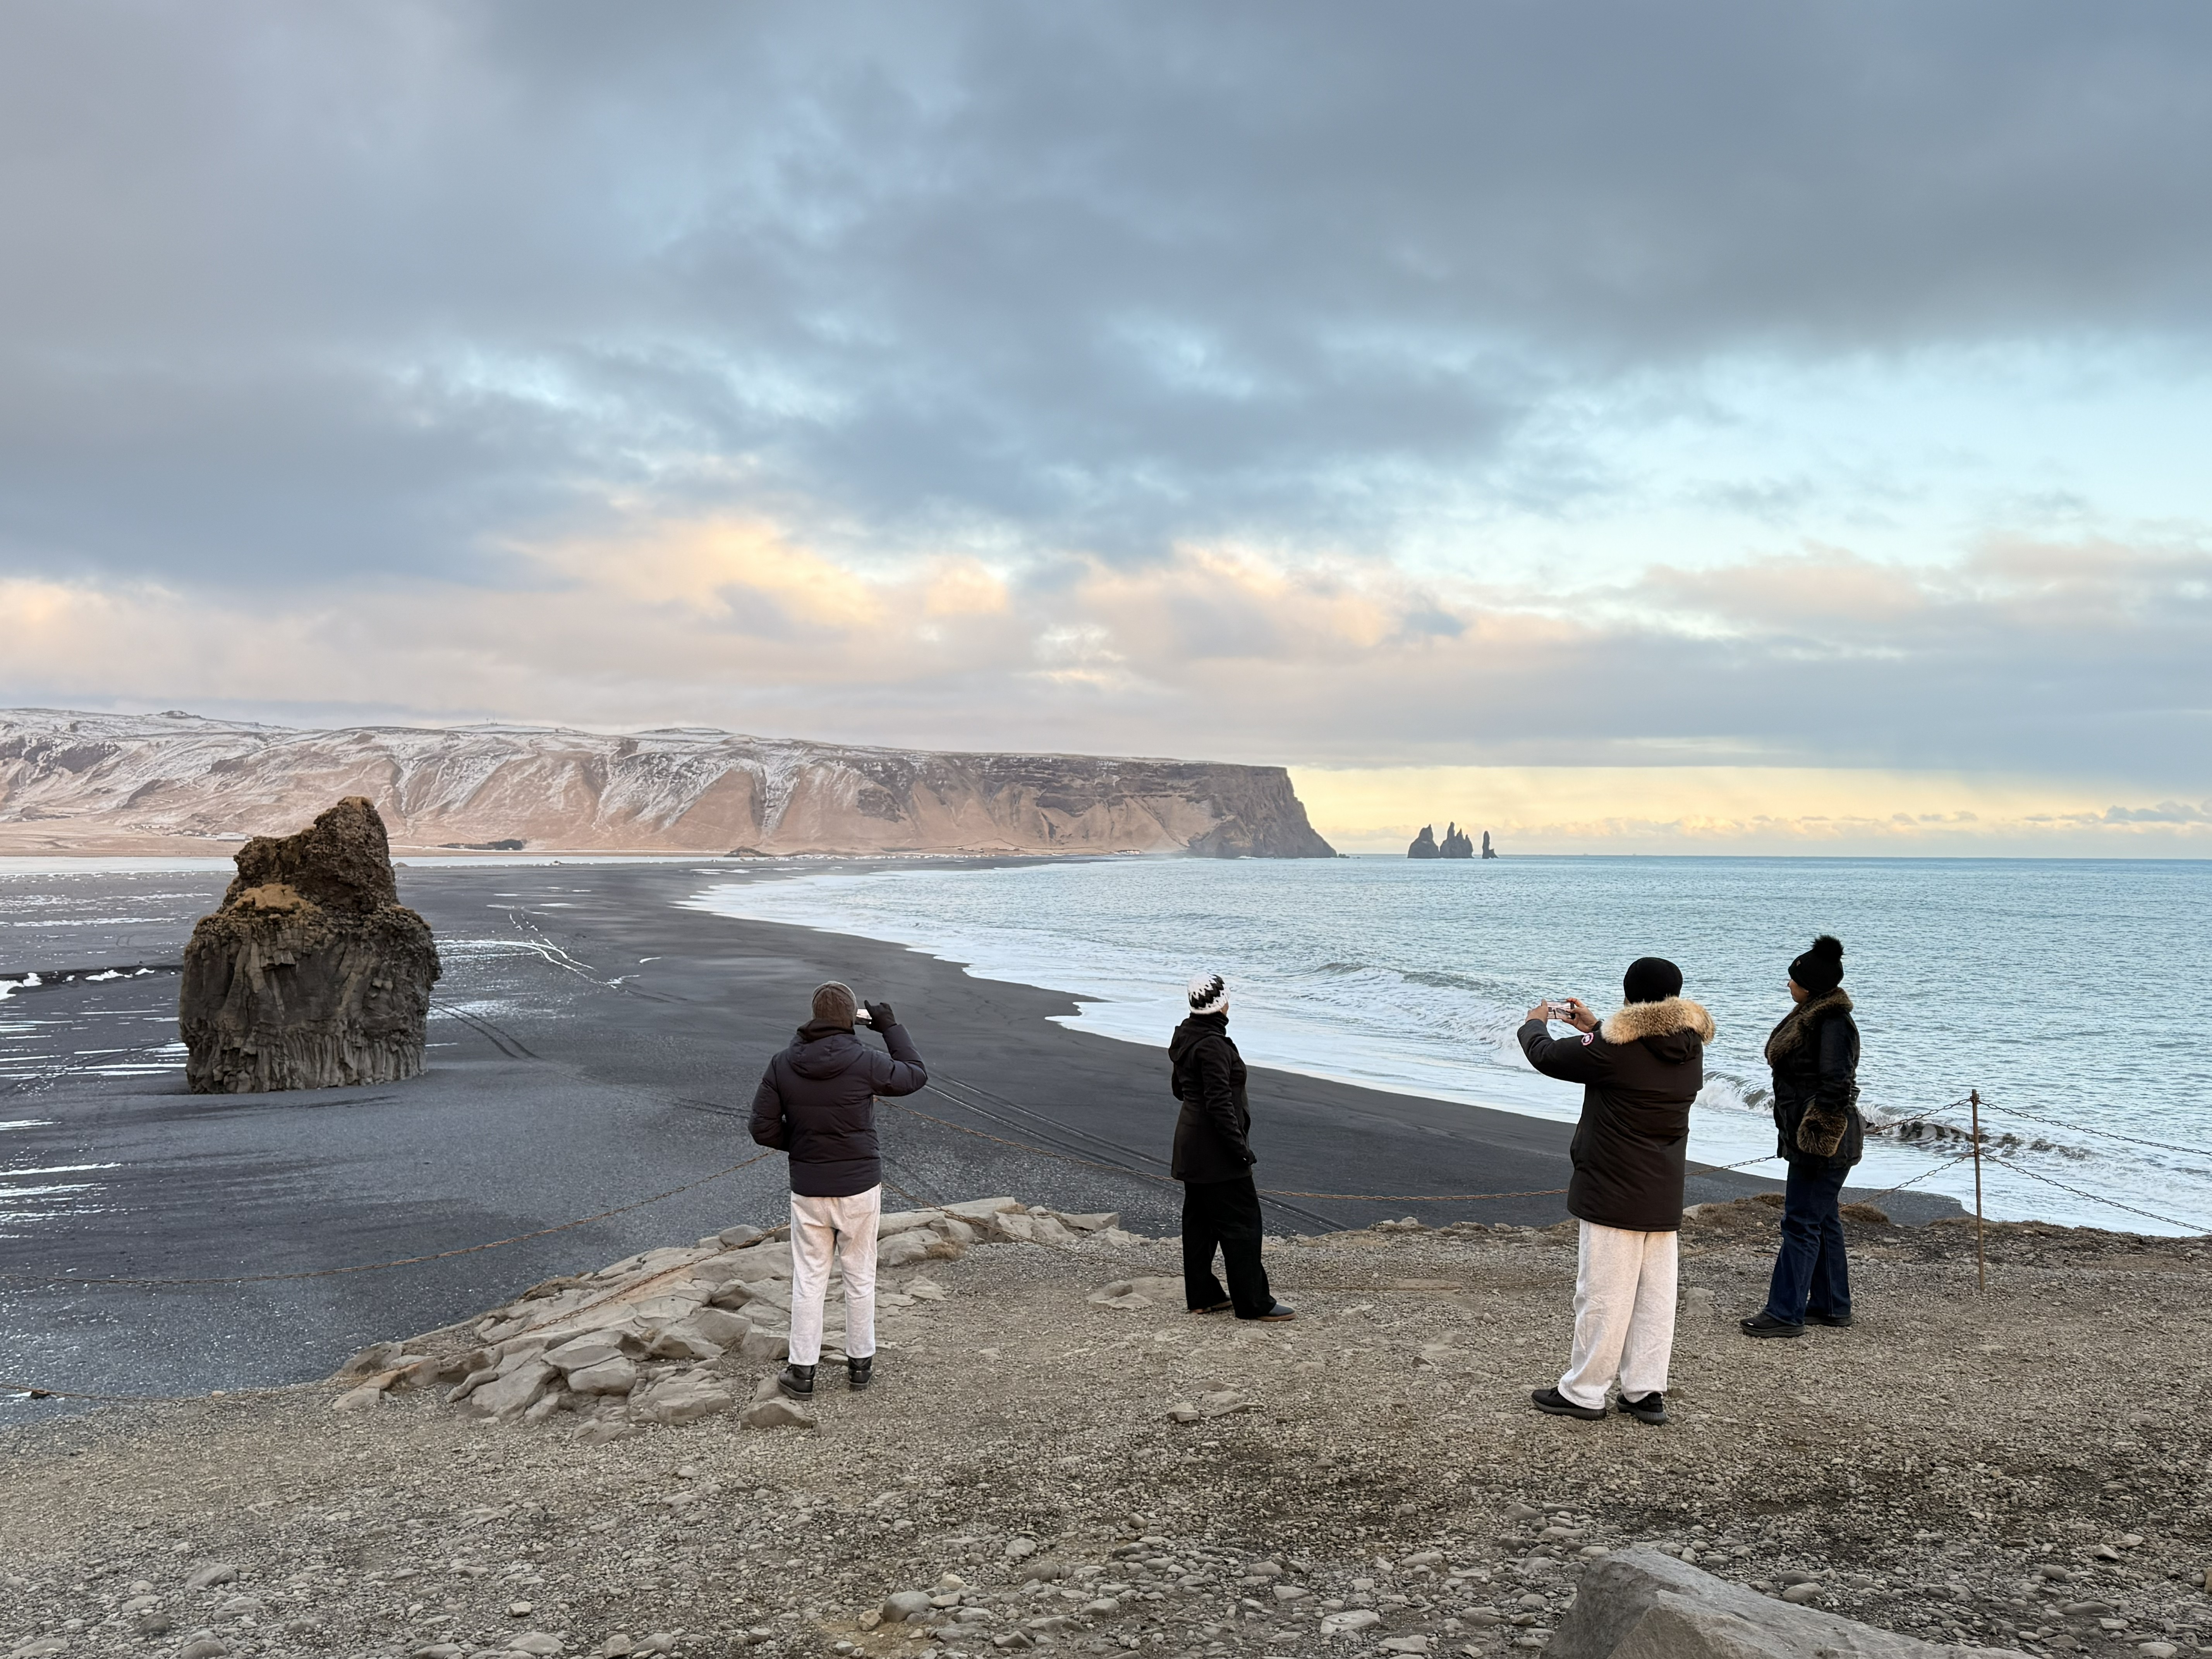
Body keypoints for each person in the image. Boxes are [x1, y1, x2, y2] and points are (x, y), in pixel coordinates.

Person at [1516, 957, 1712, 1427]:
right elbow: (1634, 1053)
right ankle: (1645, 1392)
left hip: (1613, 1186)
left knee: (1603, 1292)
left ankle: (1584, 1392)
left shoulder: (1612, 1048)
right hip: (1663, 1190)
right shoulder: (1689, 1047)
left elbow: (1548, 1056)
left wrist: (1535, 1024)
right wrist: (1597, 1025)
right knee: (1655, 1297)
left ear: (1629, 994)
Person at [749, 980, 927, 1400]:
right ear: (851, 1018)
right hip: (859, 1188)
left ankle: (802, 1373)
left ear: (812, 1017)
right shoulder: (865, 1060)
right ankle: (860, 1366)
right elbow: (915, 1075)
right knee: (860, 1276)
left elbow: (762, 1128)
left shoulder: (782, 1063)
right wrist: (889, 1027)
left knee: (810, 1280)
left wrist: (806, 1145)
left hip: (810, 1189)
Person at [1742, 935, 1863, 1338]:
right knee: (1823, 1219)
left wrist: (1815, 1138)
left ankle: (1785, 1312)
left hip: (1823, 1141)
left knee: (1799, 1222)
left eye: (1793, 980)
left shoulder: (1832, 1024)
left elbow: (1837, 1086)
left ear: (1810, 985)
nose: (1788, 985)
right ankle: (1831, 1305)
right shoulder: (1812, 1016)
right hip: (1813, 1136)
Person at [1170, 972, 1294, 1322]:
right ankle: (1254, 1304)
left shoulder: (1186, 1035)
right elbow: (1220, 1104)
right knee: (1243, 1224)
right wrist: (1240, 1150)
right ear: (1222, 1002)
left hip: (1190, 1145)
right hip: (1215, 1152)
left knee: (1200, 1224)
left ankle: (1203, 1296)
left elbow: (1180, 1090)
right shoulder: (1213, 1045)